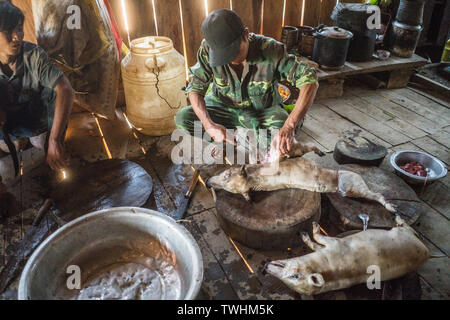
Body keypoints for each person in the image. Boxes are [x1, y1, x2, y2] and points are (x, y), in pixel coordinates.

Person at [174, 9, 319, 156]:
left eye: (234, 52)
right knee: (183, 119)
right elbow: (195, 88)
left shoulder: (271, 49)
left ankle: (244, 140)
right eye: (223, 56)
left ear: (246, 34)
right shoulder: (207, 48)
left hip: (262, 110)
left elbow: (310, 81)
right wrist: (209, 125)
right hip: (222, 107)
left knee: (280, 142)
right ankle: (234, 138)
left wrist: (289, 126)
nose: (230, 59)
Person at [0, 2, 74, 175]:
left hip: (37, 124)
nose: (17, 37)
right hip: (7, 128)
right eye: (9, 31)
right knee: (7, 166)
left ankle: (44, 144)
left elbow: (66, 90)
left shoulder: (33, 55)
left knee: (52, 154)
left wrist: (54, 140)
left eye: (19, 29)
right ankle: (19, 146)